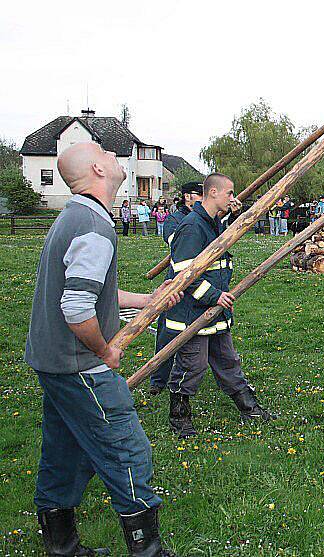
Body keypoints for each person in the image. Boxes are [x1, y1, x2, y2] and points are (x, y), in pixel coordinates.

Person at [25, 141, 182, 556]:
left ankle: (62, 547)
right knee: (126, 451)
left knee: (65, 451)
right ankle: (147, 549)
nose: (115, 158)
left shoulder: (75, 218)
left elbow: (91, 294)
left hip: (55, 362)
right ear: (98, 168)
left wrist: (146, 301)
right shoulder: (93, 228)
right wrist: (105, 352)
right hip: (82, 367)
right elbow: (77, 307)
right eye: (108, 154)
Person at [165, 173, 275, 438]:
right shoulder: (192, 226)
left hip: (215, 311)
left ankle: (248, 407)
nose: (232, 198)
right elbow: (184, 274)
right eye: (229, 193)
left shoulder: (212, 223)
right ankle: (179, 414)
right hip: (192, 312)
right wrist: (215, 295)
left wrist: (221, 298)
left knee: (227, 360)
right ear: (212, 193)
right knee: (194, 365)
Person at [148, 181, 205, 396]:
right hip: (178, 281)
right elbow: (176, 242)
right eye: (198, 194)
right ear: (187, 197)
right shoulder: (175, 220)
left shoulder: (206, 218)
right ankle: (158, 379)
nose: (202, 197)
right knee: (168, 332)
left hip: (202, 281)